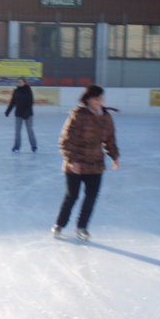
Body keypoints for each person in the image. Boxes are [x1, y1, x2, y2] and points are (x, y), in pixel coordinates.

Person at [51, 85, 120, 241]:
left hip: (95, 164)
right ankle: (60, 225)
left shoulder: (106, 117)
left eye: (102, 99)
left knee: (91, 197)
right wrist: (72, 161)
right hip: (76, 164)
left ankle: (82, 227)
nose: (100, 102)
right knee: (72, 196)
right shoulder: (78, 115)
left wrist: (114, 156)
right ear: (88, 99)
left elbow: (110, 139)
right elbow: (66, 141)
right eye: (97, 99)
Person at [5, 77, 38, 152]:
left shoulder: (28, 90)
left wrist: (26, 112)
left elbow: (30, 102)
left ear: (24, 83)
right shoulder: (16, 91)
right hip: (18, 113)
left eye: (20, 82)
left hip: (27, 114)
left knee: (30, 130)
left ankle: (34, 146)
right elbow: (13, 102)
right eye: (18, 82)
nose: (19, 83)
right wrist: (8, 111)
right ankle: (16, 146)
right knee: (17, 131)